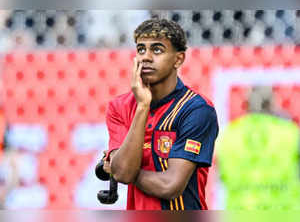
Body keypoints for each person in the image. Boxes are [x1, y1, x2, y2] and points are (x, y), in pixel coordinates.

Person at [103, 18, 219, 210]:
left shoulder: (196, 110)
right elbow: (122, 172)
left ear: (178, 59)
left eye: (157, 50)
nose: (146, 57)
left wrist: (125, 171)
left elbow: (170, 185)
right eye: (141, 49)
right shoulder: (120, 107)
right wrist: (142, 106)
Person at [217, 86, 300, 209]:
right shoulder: (290, 132)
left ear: (246, 104)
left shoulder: (229, 134)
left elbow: (221, 176)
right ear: (272, 104)